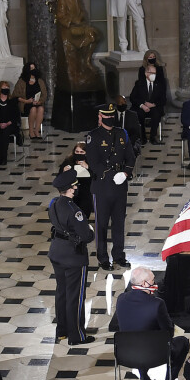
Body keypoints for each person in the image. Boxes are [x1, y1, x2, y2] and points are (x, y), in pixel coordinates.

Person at [110, 267, 189, 380]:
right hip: (155, 355)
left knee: (138, 338)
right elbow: (168, 333)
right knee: (183, 343)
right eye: (153, 280)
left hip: (126, 353)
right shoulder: (157, 304)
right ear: (144, 284)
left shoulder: (121, 299)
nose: (155, 283)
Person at [48, 167, 96, 346]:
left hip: (57, 252)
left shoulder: (53, 203)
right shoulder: (74, 210)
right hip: (73, 257)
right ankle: (76, 336)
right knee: (75, 296)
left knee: (62, 293)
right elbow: (86, 236)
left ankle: (61, 331)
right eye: (75, 186)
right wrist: (90, 231)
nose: (76, 188)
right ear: (71, 188)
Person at [86, 104, 136, 271]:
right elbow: (93, 163)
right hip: (102, 186)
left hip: (120, 185)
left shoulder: (122, 134)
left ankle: (118, 255)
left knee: (119, 223)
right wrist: (110, 175)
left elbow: (130, 157)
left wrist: (125, 174)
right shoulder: (93, 136)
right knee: (101, 224)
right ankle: (102, 257)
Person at [130, 63, 168, 146]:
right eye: (152, 73)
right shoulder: (139, 83)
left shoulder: (159, 84)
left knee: (156, 114)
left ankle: (152, 137)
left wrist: (153, 104)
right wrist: (142, 105)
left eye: (155, 73)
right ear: (146, 74)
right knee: (138, 115)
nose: (153, 75)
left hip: (154, 107)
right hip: (141, 107)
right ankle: (142, 137)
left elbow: (163, 99)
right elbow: (133, 97)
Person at [0, 80, 21, 166]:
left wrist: (7, 123)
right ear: (0, 89)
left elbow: (16, 115)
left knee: (5, 132)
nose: (6, 89)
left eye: (7, 88)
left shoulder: (12, 101)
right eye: (4, 87)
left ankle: (4, 157)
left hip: (10, 124)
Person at [13, 62, 48, 140]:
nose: (33, 70)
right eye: (31, 68)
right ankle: (31, 131)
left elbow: (44, 94)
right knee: (33, 109)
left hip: (37, 102)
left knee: (41, 109)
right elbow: (15, 96)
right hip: (25, 104)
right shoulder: (22, 81)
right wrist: (26, 101)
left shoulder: (39, 81)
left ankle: (37, 130)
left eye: (34, 68)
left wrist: (39, 101)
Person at [59, 142, 93, 219]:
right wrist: (64, 172)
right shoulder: (68, 161)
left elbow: (97, 175)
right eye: (77, 152)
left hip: (86, 192)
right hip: (71, 192)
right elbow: (59, 178)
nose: (79, 154)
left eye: (82, 152)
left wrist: (88, 167)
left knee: (84, 213)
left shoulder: (91, 161)